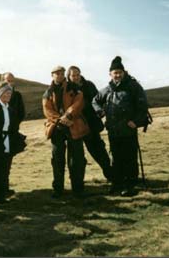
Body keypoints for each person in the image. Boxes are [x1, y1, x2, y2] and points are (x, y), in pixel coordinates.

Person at [92, 56, 149, 196]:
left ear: (124, 72)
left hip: (128, 130)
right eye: (114, 72)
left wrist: (135, 121)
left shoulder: (133, 86)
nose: (117, 75)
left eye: (119, 72)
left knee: (129, 157)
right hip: (113, 130)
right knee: (116, 158)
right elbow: (95, 101)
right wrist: (100, 111)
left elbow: (143, 106)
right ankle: (117, 184)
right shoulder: (107, 89)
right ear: (110, 74)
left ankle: (130, 185)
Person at [42, 66, 89, 198]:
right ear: (52, 75)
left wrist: (68, 116)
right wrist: (60, 120)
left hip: (73, 126)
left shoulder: (73, 88)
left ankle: (78, 189)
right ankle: (58, 189)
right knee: (57, 160)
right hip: (57, 129)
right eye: (57, 73)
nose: (60, 75)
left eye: (62, 73)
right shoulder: (48, 92)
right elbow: (47, 110)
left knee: (77, 159)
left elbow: (79, 103)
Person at [67, 66, 113, 183]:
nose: (76, 77)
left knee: (99, 151)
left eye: (77, 74)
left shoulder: (89, 85)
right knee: (76, 157)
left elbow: (98, 99)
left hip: (91, 125)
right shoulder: (66, 89)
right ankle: (77, 183)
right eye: (73, 75)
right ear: (69, 76)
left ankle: (111, 176)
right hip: (75, 126)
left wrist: (100, 111)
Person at [0, 72, 25, 195]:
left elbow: (21, 113)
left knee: (7, 162)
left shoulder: (17, 96)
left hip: (12, 133)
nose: (10, 83)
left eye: (12, 81)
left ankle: (4, 188)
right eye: (7, 80)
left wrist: (13, 125)